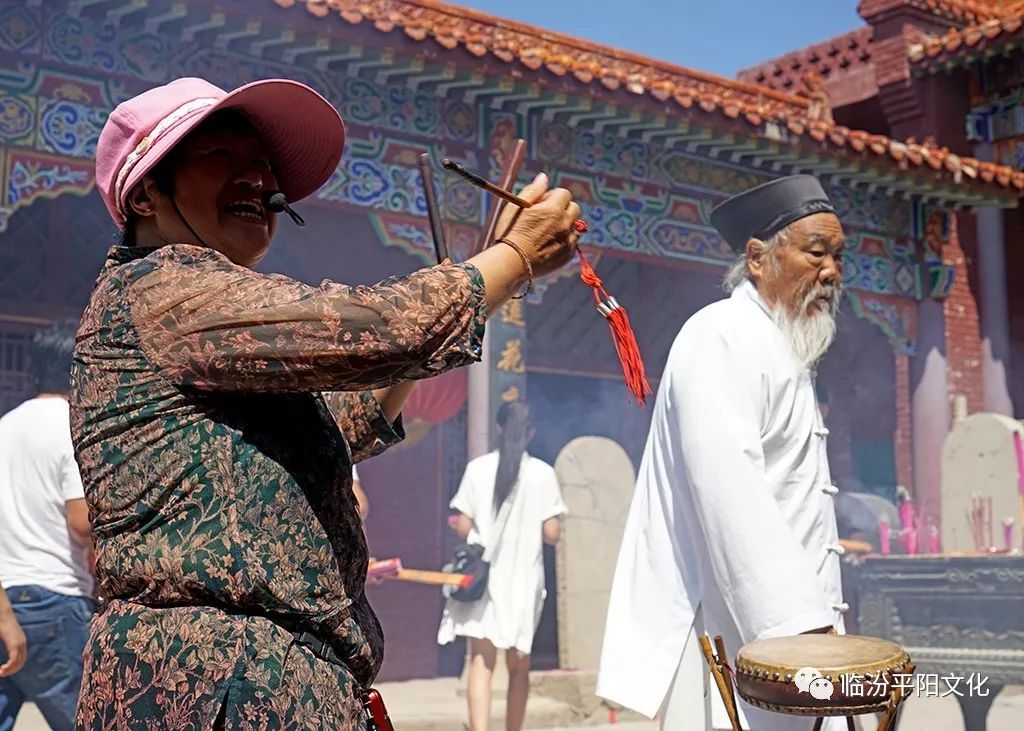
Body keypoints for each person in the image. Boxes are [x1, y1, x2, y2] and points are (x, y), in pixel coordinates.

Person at [71, 76, 580, 730]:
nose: (257, 178)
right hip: (210, 692)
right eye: (223, 157)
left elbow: (347, 416)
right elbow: (373, 327)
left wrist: (478, 282)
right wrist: (513, 258)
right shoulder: (162, 289)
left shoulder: (216, 337)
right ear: (146, 191)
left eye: (263, 165)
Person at [596, 175, 848, 731]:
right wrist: (799, 626)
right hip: (750, 632)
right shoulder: (722, 335)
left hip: (792, 630)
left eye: (837, 256)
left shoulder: (780, 343)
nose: (831, 272)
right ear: (758, 258)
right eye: (815, 253)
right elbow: (728, 488)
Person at [438, 401, 566, 731]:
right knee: (519, 664)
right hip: (523, 580)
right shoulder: (543, 474)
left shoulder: (478, 469)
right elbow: (552, 534)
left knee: (482, 660)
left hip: (485, 578)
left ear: (498, 428)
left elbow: (464, 525)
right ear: (530, 432)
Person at [0, 320, 95, 731]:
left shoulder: (5, 426)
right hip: (55, 601)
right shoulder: (69, 427)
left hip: (4, 603)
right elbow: (79, 521)